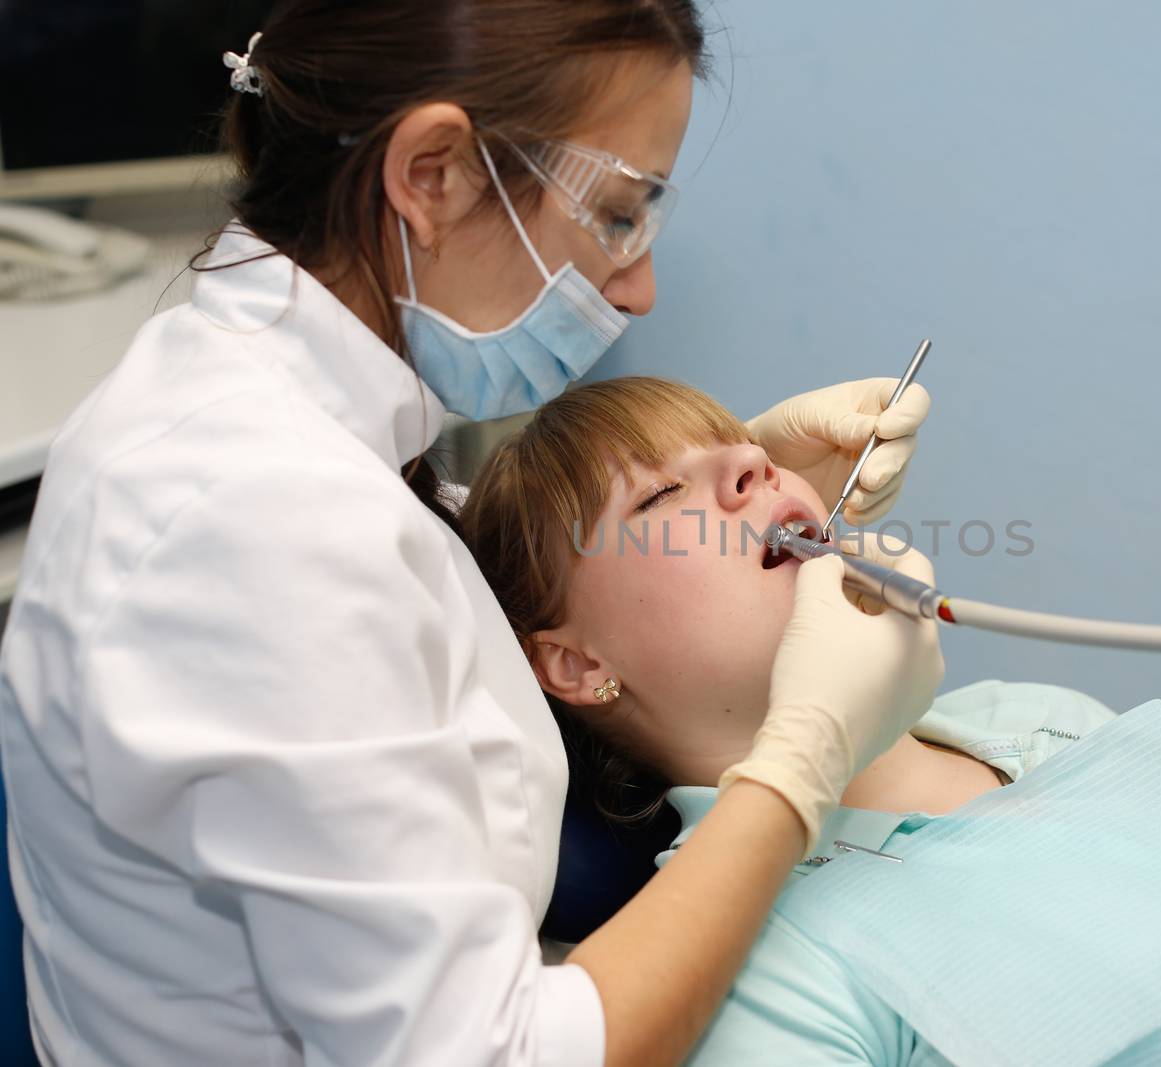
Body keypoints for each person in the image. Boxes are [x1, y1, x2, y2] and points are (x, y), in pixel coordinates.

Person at [0, 4, 944, 1066]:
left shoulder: (274, 404)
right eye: (619, 215)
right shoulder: (246, 516)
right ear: (433, 172)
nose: (637, 285)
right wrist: (798, 761)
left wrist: (703, 484)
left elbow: (401, 591)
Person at [458, 376, 1161, 1067]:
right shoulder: (735, 970)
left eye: (751, 457)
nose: (754, 473)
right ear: (578, 662)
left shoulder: (1044, 719)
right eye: (664, 493)